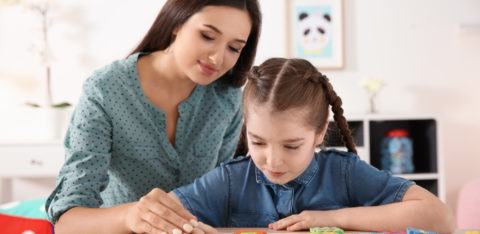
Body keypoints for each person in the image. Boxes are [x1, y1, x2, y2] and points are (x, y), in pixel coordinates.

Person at [45, 0, 261, 233]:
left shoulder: (227, 98)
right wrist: (131, 216)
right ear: (177, 22)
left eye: (234, 48)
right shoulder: (105, 90)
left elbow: (221, 194)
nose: (218, 59)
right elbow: (67, 222)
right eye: (207, 36)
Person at [169, 58, 456, 233]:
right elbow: (152, 218)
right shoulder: (231, 179)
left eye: (291, 146)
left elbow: (440, 217)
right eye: (258, 142)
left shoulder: (344, 173)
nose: (272, 161)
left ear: (320, 132)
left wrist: (332, 219)